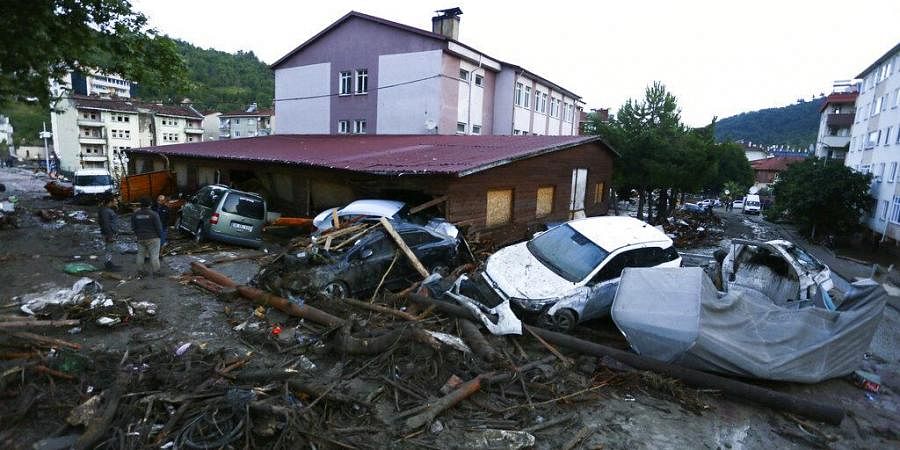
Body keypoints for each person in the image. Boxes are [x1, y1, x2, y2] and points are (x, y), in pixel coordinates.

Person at [132, 197, 163, 277]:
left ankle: (141, 271)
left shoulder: (135, 214)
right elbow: (159, 227)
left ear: (141, 204)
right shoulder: (154, 214)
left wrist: (138, 234)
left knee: (140, 254)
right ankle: (156, 272)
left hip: (141, 238)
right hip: (153, 238)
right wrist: (160, 236)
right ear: (150, 204)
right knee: (154, 256)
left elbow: (133, 227)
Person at [98, 196, 121, 271]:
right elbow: (106, 223)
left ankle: (109, 263)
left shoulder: (107, 210)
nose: (116, 202)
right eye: (115, 201)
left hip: (110, 232)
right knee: (109, 248)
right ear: (110, 202)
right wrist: (110, 235)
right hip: (109, 233)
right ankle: (108, 264)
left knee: (110, 248)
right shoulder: (105, 211)